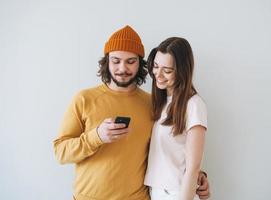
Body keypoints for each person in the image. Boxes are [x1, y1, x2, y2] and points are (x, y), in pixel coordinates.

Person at [53, 25, 210, 200]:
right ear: (107, 61)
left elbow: (167, 147)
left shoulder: (153, 104)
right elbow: (61, 153)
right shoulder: (84, 99)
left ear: (140, 64)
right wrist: (96, 136)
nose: (122, 68)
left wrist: (195, 173)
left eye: (130, 61)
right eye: (116, 60)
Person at [144, 37, 208, 200]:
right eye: (156, 66)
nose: (158, 74)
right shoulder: (161, 102)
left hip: (177, 194)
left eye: (167, 70)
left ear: (182, 71)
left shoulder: (193, 105)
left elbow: (193, 167)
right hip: (156, 191)